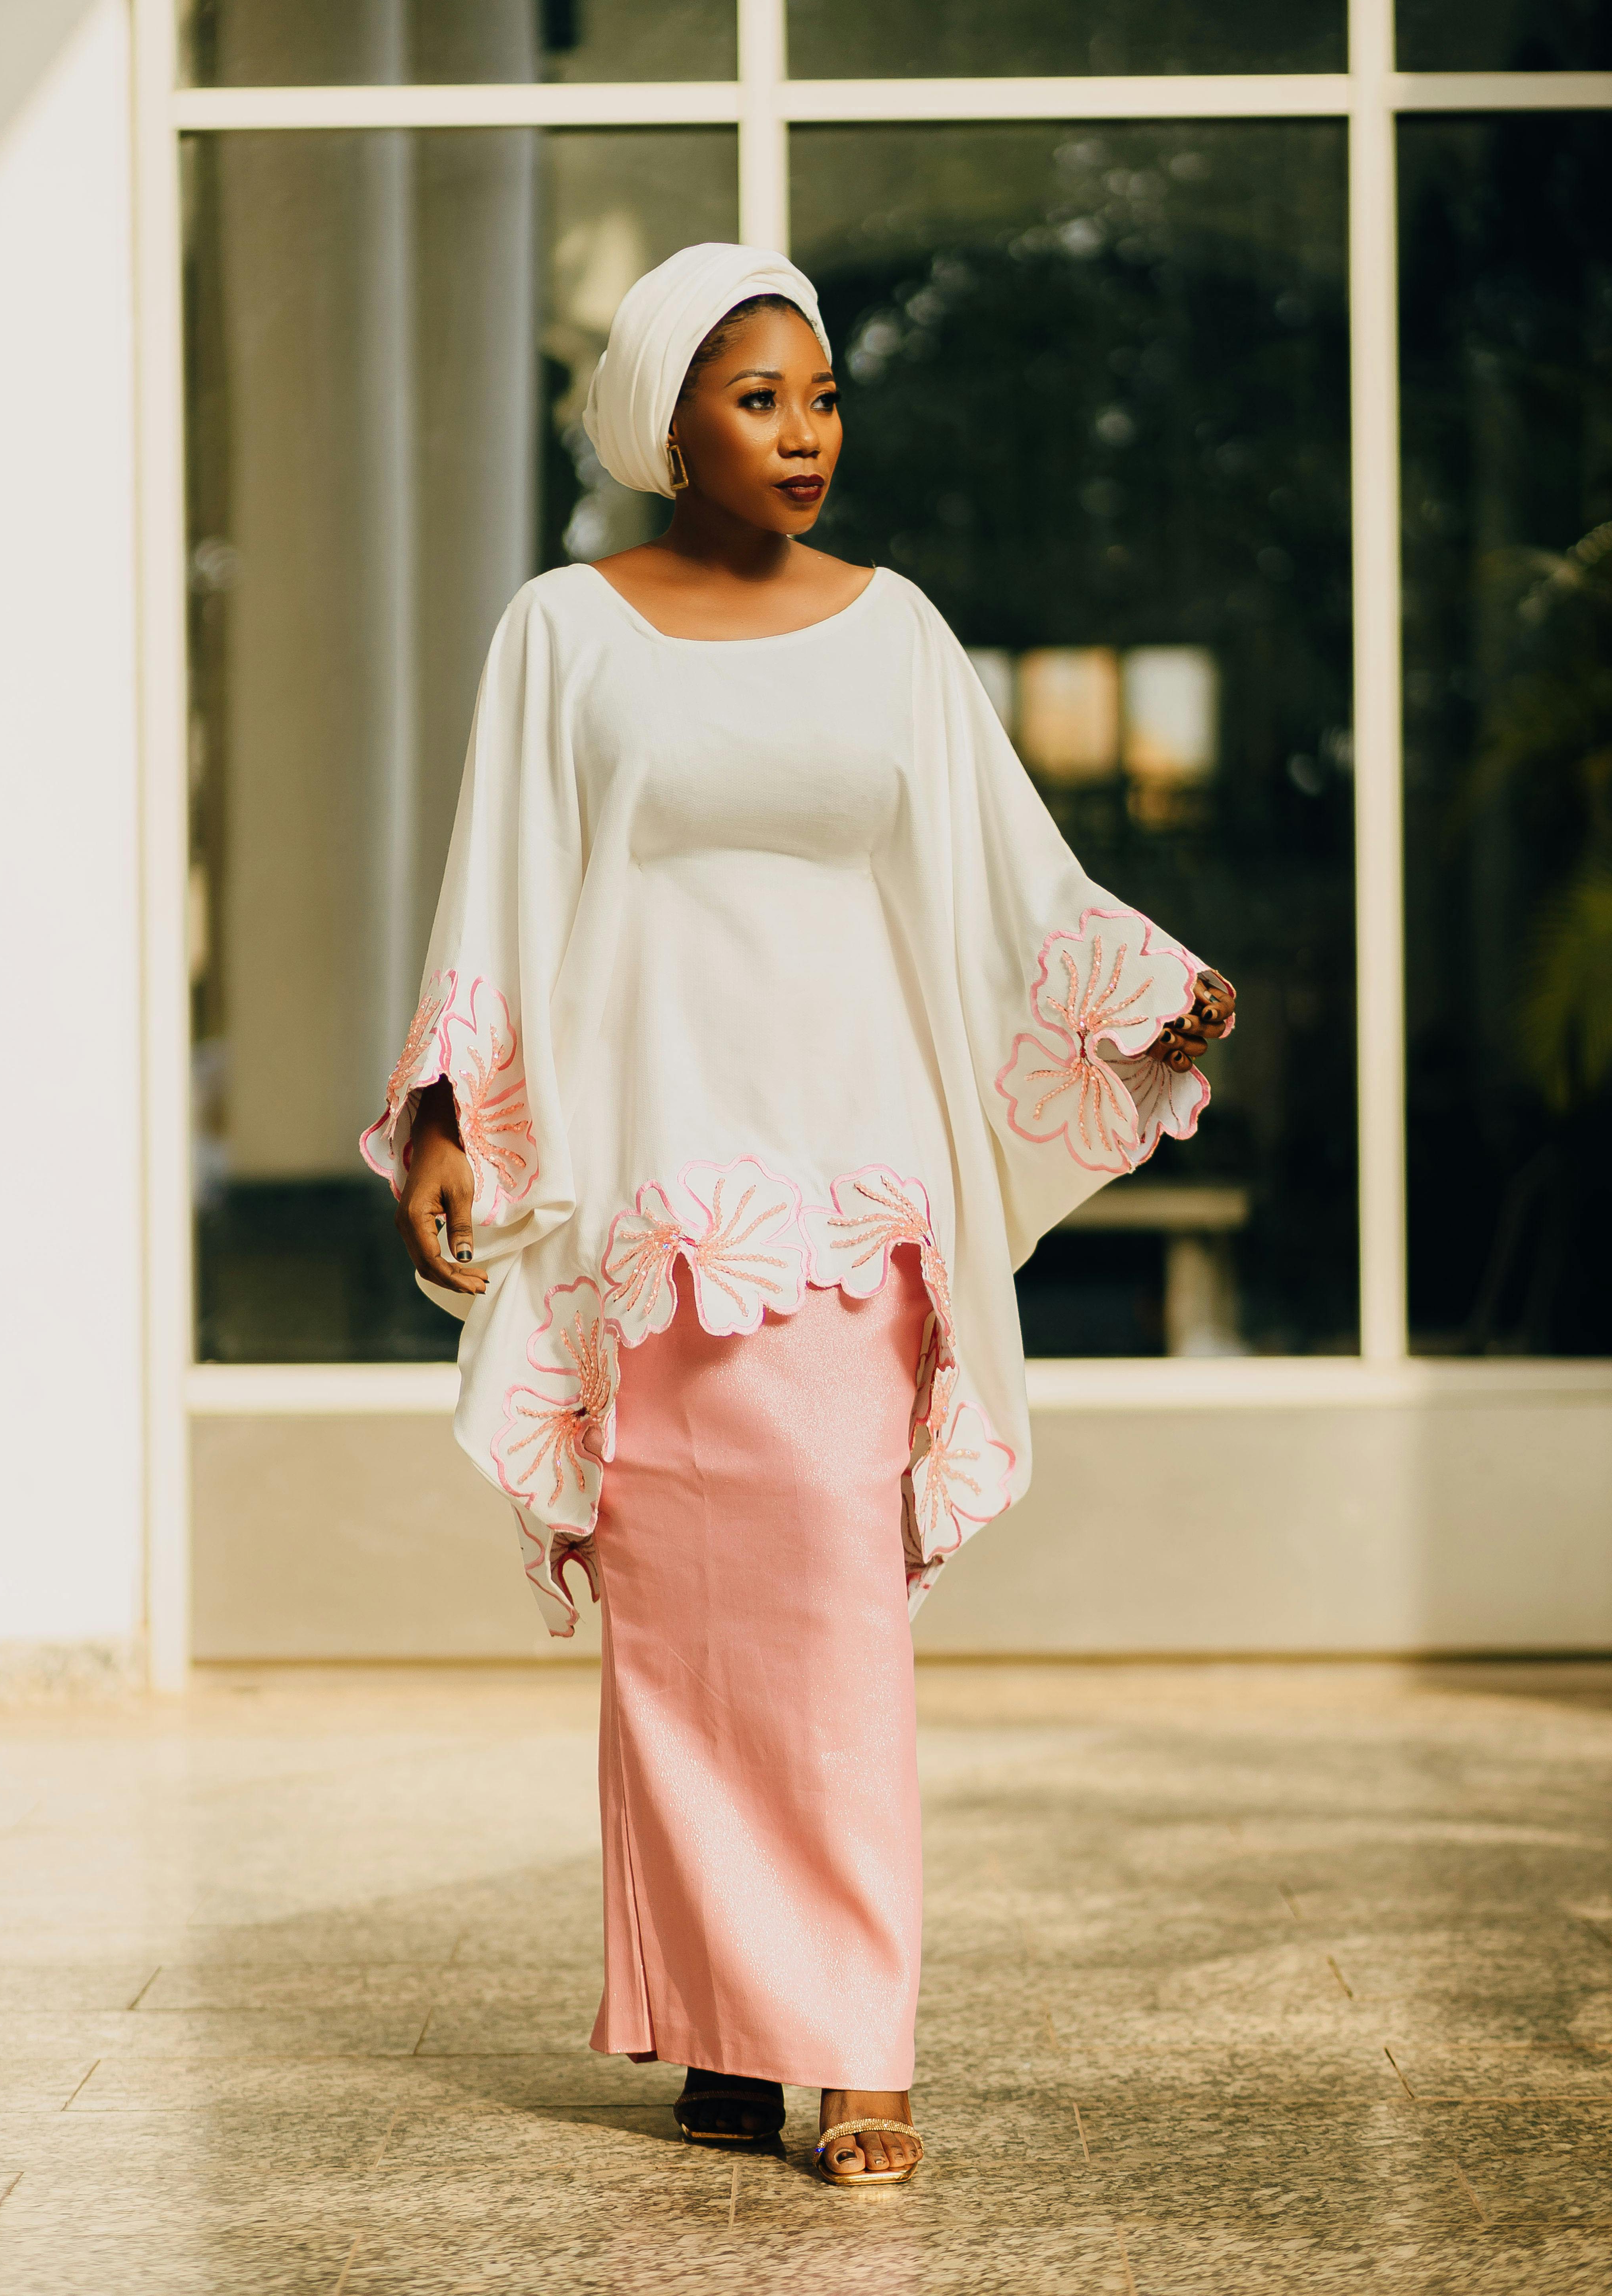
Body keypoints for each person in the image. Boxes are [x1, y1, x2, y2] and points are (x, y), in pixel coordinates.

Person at [361, 242, 1235, 2183]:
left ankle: (855, 2041)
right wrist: (443, 1113)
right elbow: (494, 880)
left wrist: (1136, 983)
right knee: (676, 1627)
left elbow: (1007, 863)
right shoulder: (563, 632)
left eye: (822, 397)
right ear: (668, 423)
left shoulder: (896, 629)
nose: (804, 433)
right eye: (760, 400)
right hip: (648, 1187)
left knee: (830, 1613)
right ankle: (722, 2029)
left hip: (853, 1182)